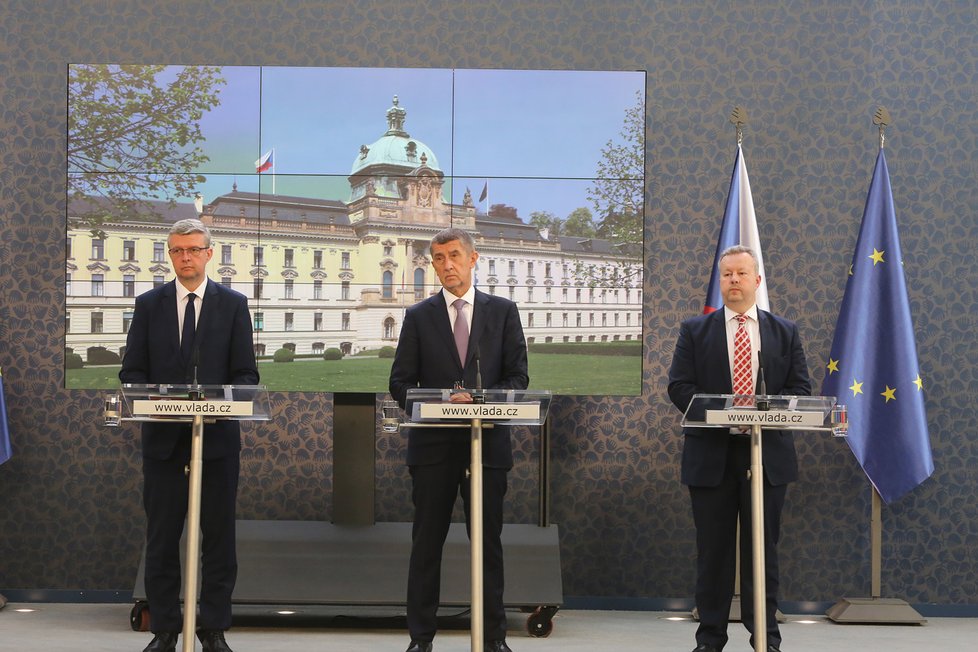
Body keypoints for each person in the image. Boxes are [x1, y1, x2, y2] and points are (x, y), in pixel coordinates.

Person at [121, 219, 259, 652]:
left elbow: (246, 374)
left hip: (216, 445)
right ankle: (164, 630)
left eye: (193, 250)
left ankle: (212, 630)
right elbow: (131, 372)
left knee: (218, 541)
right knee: (162, 540)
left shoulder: (233, 305)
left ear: (208, 253)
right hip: (163, 446)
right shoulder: (148, 305)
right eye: (177, 250)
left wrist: (215, 398)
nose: (185, 258)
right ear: (170, 254)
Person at [389, 228, 529, 652]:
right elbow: (399, 383)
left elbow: (519, 379)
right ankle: (420, 638)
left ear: (473, 258)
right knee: (426, 544)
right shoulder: (418, 316)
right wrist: (442, 399)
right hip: (433, 450)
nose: (445, 265)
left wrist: (480, 399)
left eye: (453, 256)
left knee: (487, 545)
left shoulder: (503, 312)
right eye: (437, 258)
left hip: (486, 447)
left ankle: (493, 638)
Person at [667, 245, 811, 652]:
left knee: (762, 555)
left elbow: (800, 389)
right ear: (720, 280)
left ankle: (765, 639)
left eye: (741, 274)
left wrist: (761, 412)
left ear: (756, 280)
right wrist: (726, 413)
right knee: (713, 555)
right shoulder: (694, 330)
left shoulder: (785, 330)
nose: (733, 280)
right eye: (727, 274)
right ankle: (709, 641)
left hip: (767, 459)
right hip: (712, 456)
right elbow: (679, 386)